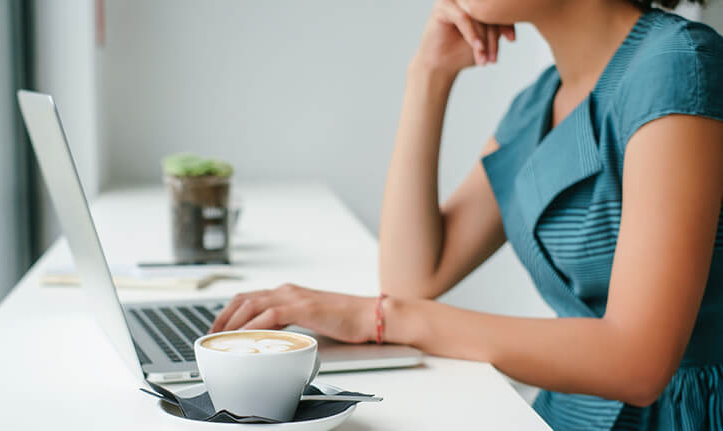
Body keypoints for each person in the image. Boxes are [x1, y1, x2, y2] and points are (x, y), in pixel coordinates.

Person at [209, 0, 723, 428]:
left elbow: (639, 361)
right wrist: (429, 74)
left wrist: (380, 317)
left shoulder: (677, 65)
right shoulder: (543, 98)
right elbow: (412, 276)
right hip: (569, 411)